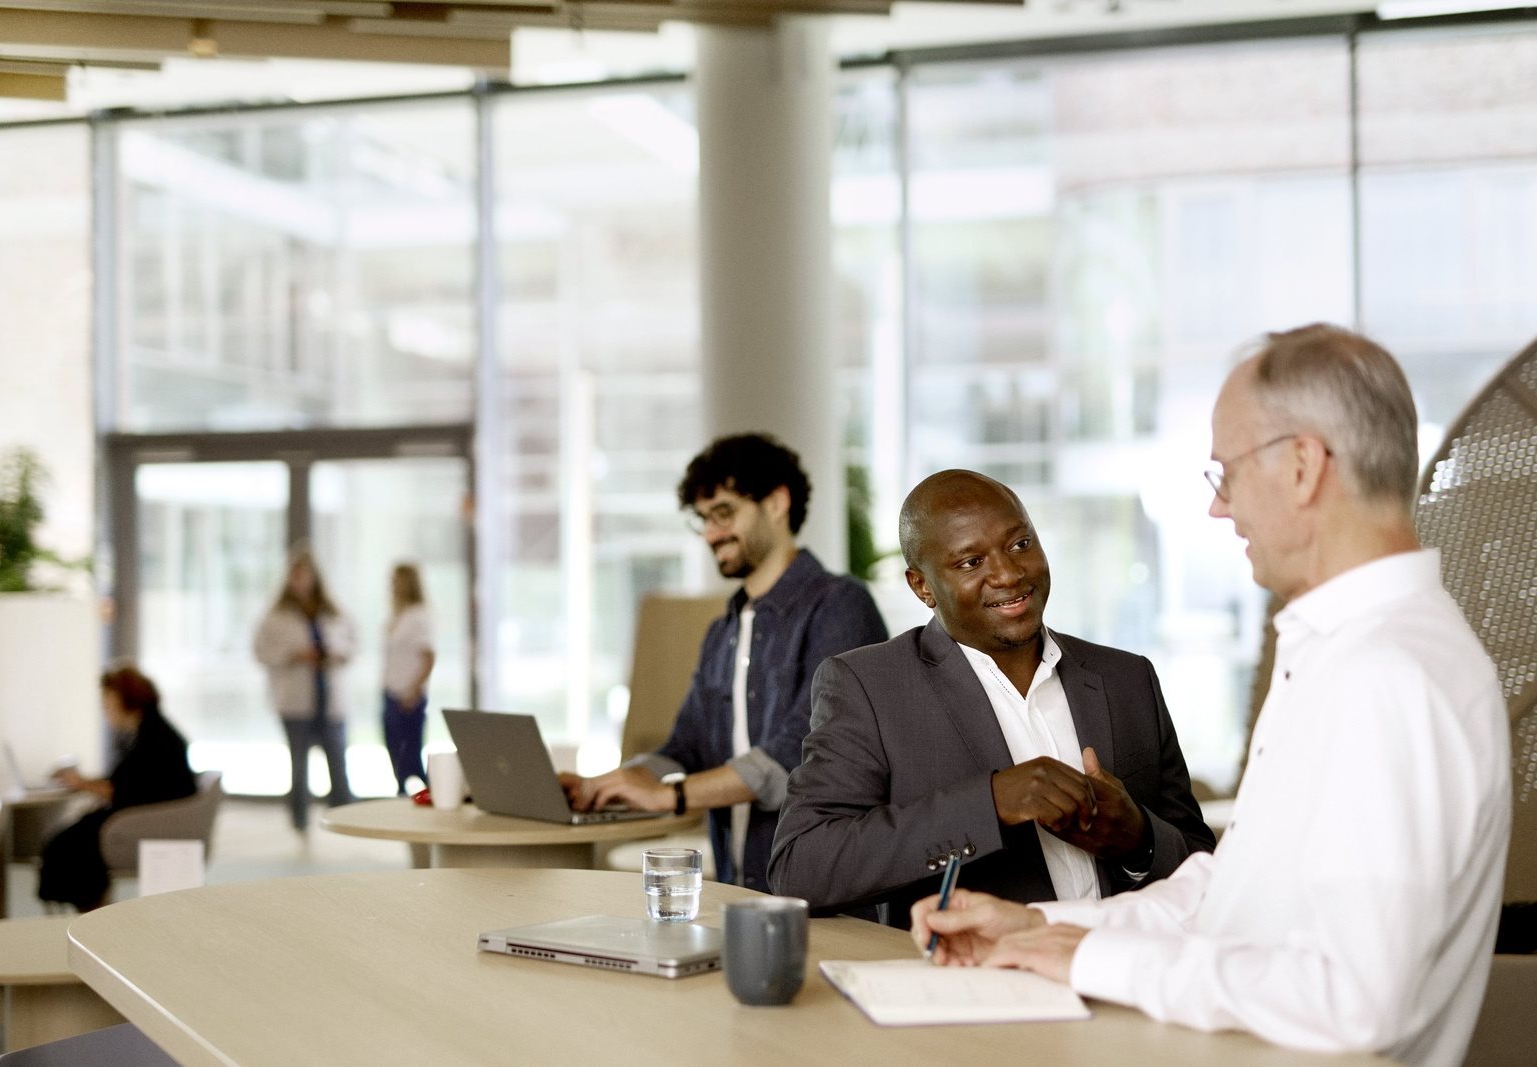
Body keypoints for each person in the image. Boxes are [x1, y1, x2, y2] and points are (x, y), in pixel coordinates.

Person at [911, 325, 1509, 1067]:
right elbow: (1233, 892)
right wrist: (1037, 928)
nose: (1219, 510)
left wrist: (1083, 960)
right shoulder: (1348, 653)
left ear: (1300, 466)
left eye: (1225, 473)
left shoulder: (1389, 676)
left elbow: (1353, 1001)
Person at [768, 470, 1214, 927]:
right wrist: (991, 803)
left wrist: (1138, 838)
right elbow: (800, 868)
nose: (1008, 573)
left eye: (1020, 544)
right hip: (980, 986)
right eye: (970, 563)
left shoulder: (1126, 677)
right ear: (922, 586)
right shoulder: (868, 687)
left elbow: (1206, 867)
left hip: (1131, 974)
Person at [559, 433, 888, 892]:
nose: (711, 534)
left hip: (823, 890)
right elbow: (686, 747)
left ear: (776, 503)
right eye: (704, 520)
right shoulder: (724, 631)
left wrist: (670, 795)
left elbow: (802, 752)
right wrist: (613, 784)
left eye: (724, 513)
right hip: (741, 886)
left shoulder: (840, 606)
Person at [38, 665, 195, 912]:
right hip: (146, 815)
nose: (105, 711)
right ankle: (91, 908)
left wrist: (81, 784)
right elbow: (129, 782)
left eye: (108, 704)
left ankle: (88, 911)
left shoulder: (152, 738)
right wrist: (86, 783)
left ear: (126, 700)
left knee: (67, 845)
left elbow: (125, 791)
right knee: (71, 839)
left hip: (146, 822)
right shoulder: (149, 731)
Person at [253, 544, 356, 831]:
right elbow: (260, 650)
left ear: (314, 577)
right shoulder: (275, 614)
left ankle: (345, 818)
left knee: (338, 764)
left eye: (304, 575)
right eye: (294, 575)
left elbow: (352, 642)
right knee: (299, 768)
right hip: (295, 701)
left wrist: (333, 653)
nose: (299, 581)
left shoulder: (333, 611)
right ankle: (299, 822)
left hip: (329, 700)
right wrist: (293, 654)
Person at [381, 562, 435, 796]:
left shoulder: (418, 616)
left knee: (410, 757)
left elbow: (429, 656)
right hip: (390, 692)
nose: (392, 586)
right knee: (395, 754)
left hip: (408, 695)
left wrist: (414, 689)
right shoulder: (397, 615)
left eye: (397, 580)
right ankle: (402, 796)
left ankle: (427, 795)